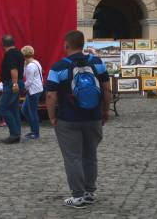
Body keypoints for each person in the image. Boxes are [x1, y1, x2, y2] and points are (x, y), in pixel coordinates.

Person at [44, 30, 109, 209]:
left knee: (73, 158)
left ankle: (78, 197)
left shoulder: (58, 67)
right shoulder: (97, 63)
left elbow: (51, 95)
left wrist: (51, 117)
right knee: (90, 156)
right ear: (83, 44)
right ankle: (90, 192)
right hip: (93, 117)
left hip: (68, 120)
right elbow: (106, 89)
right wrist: (105, 111)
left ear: (66, 45)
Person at [0, 35, 24, 144]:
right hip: (16, 82)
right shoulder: (18, 53)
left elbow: (14, 69)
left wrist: (14, 84)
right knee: (13, 109)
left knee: (2, 107)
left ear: (3, 44)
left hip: (11, 84)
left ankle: (14, 134)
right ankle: (17, 134)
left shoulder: (10, 54)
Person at [21, 45, 44, 139]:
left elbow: (29, 82)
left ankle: (35, 132)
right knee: (25, 110)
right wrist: (24, 65)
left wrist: (21, 87)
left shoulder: (30, 66)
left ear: (24, 55)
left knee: (32, 112)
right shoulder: (35, 62)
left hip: (33, 91)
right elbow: (24, 74)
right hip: (36, 89)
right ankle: (33, 130)